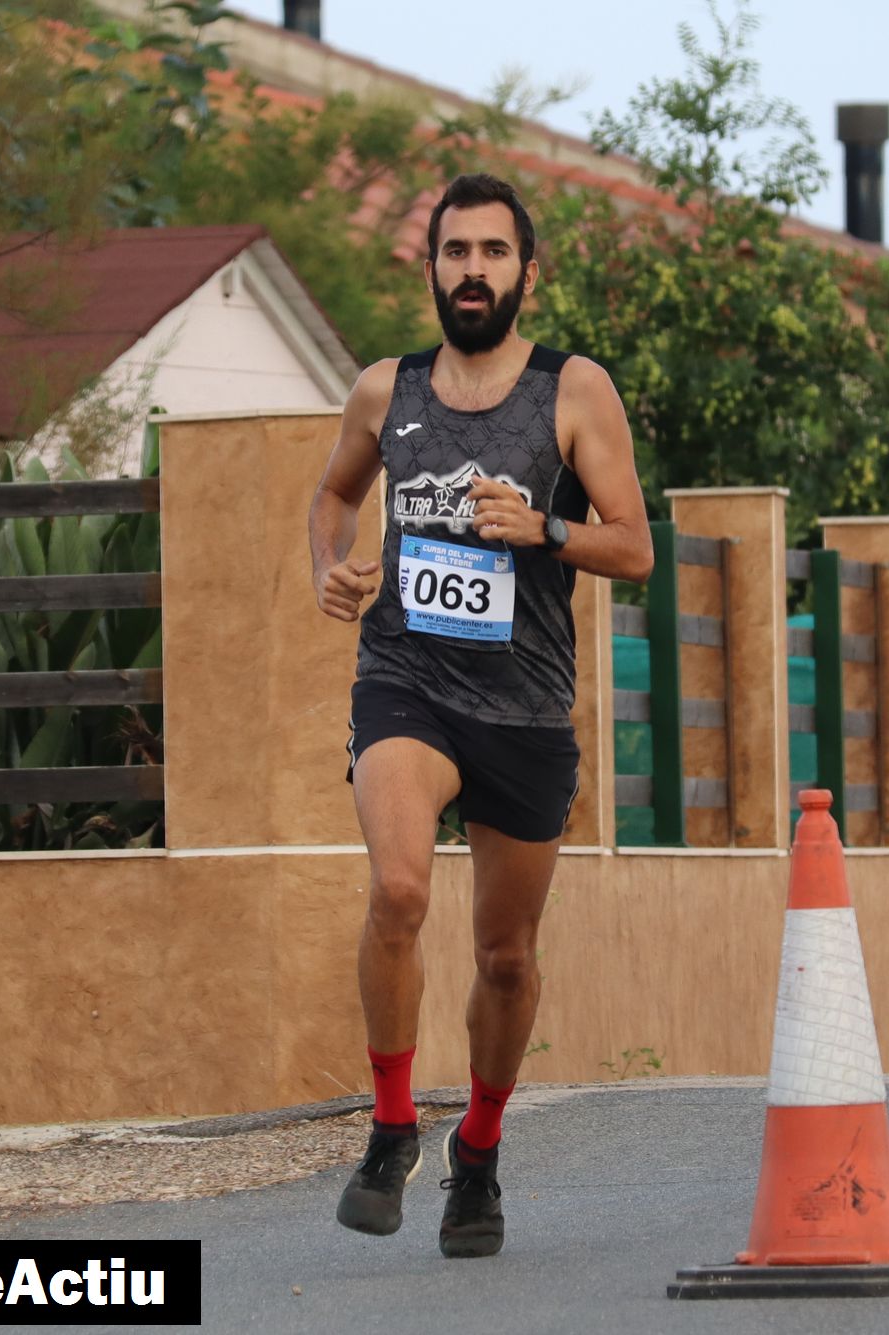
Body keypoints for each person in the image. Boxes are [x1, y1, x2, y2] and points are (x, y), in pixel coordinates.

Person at [308, 173, 653, 1257]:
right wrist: (329, 567)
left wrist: (542, 529)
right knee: (400, 889)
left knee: (505, 957)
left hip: (525, 706)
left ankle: (481, 1150)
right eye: (455, 252)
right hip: (405, 680)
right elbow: (334, 496)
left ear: (525, 274)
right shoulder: (385, 389)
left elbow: (635, 548)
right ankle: (391, 1129)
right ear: (431, 269)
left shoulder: (573, 391)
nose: (472, 271)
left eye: (493, 253)